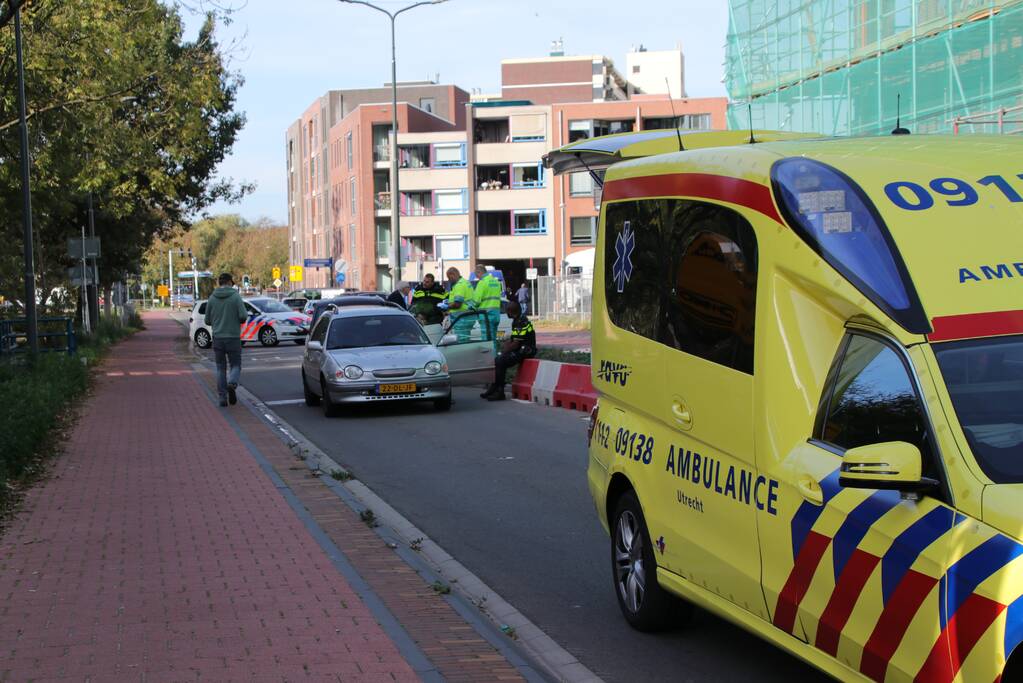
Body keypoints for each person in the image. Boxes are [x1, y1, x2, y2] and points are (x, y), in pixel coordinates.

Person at [204, 273, 248, 407]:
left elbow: (207, 320)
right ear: (229, 282)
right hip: (233, 337)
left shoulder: (212, 298)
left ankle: (222, 397)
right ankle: (232, 383)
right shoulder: (235, 297)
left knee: (220, 368)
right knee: (235, 365)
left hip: (218, 338)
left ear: (219, 283)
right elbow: (243, 316)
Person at [481, 300, 535, 401]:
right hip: (521, 349)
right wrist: (506, 344)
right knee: (498, 359)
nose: (506, 313)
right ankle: (495, 387)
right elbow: (515, 339)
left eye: (507, 311)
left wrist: (505, 350)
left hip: (526, 351)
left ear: (511, 311)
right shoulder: (518, 319)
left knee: (501, 361)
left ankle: (500, 391)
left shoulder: (520, 322)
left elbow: (516, 344)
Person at [472, 264, 502, 351]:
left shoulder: (482, 283)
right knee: (493, 340)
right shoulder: (496, 282)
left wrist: (470, 306)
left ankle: (491, 361)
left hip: (486, 316)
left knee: (487, 341)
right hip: (496, 315)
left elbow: (476, 301)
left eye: (476, 274)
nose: (477, 277)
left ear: (479, 272)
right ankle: (496, 360)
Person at [442, 267, 476, 341]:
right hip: (468, 316)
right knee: (465, 339)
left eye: (449, 277)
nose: (449, 280)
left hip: (461, 318)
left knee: (461, 342)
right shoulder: (466, 282)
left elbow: (457, 304)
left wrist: (446, 306)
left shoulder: (459, 285)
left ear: (452, 275)